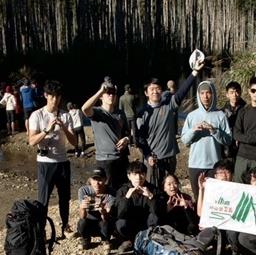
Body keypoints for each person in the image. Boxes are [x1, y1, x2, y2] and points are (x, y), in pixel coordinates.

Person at [136, 56, 204, 187]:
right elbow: (141, 140)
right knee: (153, 188)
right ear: (146, 93)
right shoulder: (142, 114)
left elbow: (182, 92)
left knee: (170, 188)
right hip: (152, 159)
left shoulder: (168, 106)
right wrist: (147, 156)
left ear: (161, 90)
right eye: (152, 89)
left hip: (170, 156)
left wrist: (194, 72)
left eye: (158, 88)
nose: (155, 91)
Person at [28, 80, 78, 237]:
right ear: (45, 95)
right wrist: (46, 129)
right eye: (52, 96)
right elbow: (31, 141)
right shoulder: (37, 115)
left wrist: (63, 126)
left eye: (58, 96)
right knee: (43, 199)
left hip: (63, 162)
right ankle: (41, 229)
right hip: (45, 163)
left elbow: (75, 142)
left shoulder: (66, 115)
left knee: (65, 198)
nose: (55, 99)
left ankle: (65, 226)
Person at [180, 80, 232, 201]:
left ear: (213, 94)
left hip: (214, 165)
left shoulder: (220, 115)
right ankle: (198, 220)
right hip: (195, 165)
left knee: (215, 199)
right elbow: (184, 140)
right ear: (198, 95)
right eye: (202, 93)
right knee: (199, 198)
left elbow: (228, 140)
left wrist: (214, 130)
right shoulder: (191, 116)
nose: (205, 96)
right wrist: (193, 130)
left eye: (208, 93)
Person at [81, 80, 131, 190]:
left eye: (113, 93)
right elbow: (84, 109)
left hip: (121, 158)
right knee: (108, 190)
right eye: (108, 93)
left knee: (124, 189)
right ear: (101, 97)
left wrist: (126, 139)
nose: (111, 95)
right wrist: (101, 91)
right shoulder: (97, 112)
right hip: (105, 160)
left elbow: (127, 133)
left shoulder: (120, 113)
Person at [114, 161, 159, 252]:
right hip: (130, 224)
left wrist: (150, 196)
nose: (138, 178)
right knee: (120, 223)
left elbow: (158, 211)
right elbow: (118, 214)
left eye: (142, 174)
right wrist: (127, 197)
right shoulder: (122, 190)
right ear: (129, 176)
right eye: (135, 174)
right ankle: (130, 240)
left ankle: (147, 240)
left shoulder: (153, 189)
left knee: (154, 216)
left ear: (146, 175)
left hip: (146, 225)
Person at [76, 167, 115, 249]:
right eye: (94, 180)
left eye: (100, 180)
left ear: (105, 180)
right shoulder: (83, 191)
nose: (97, 183)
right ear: (90, 180)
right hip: (89, 222)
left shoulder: (111, 193)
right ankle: (86, 238)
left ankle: (105, 239)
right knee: (81, 222)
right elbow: (82, 216)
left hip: (103, 223)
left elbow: (108, 216)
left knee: (106, 222)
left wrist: (103, 211)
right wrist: (82, 208)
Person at [222, 81, 246, 159]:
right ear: (227, 94)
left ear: (240, 93)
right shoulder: (222, 112)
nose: (234, 95)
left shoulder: (247, 110)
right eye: (231, 92)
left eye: (237, 92)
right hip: (225, 149)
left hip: (242, 149)